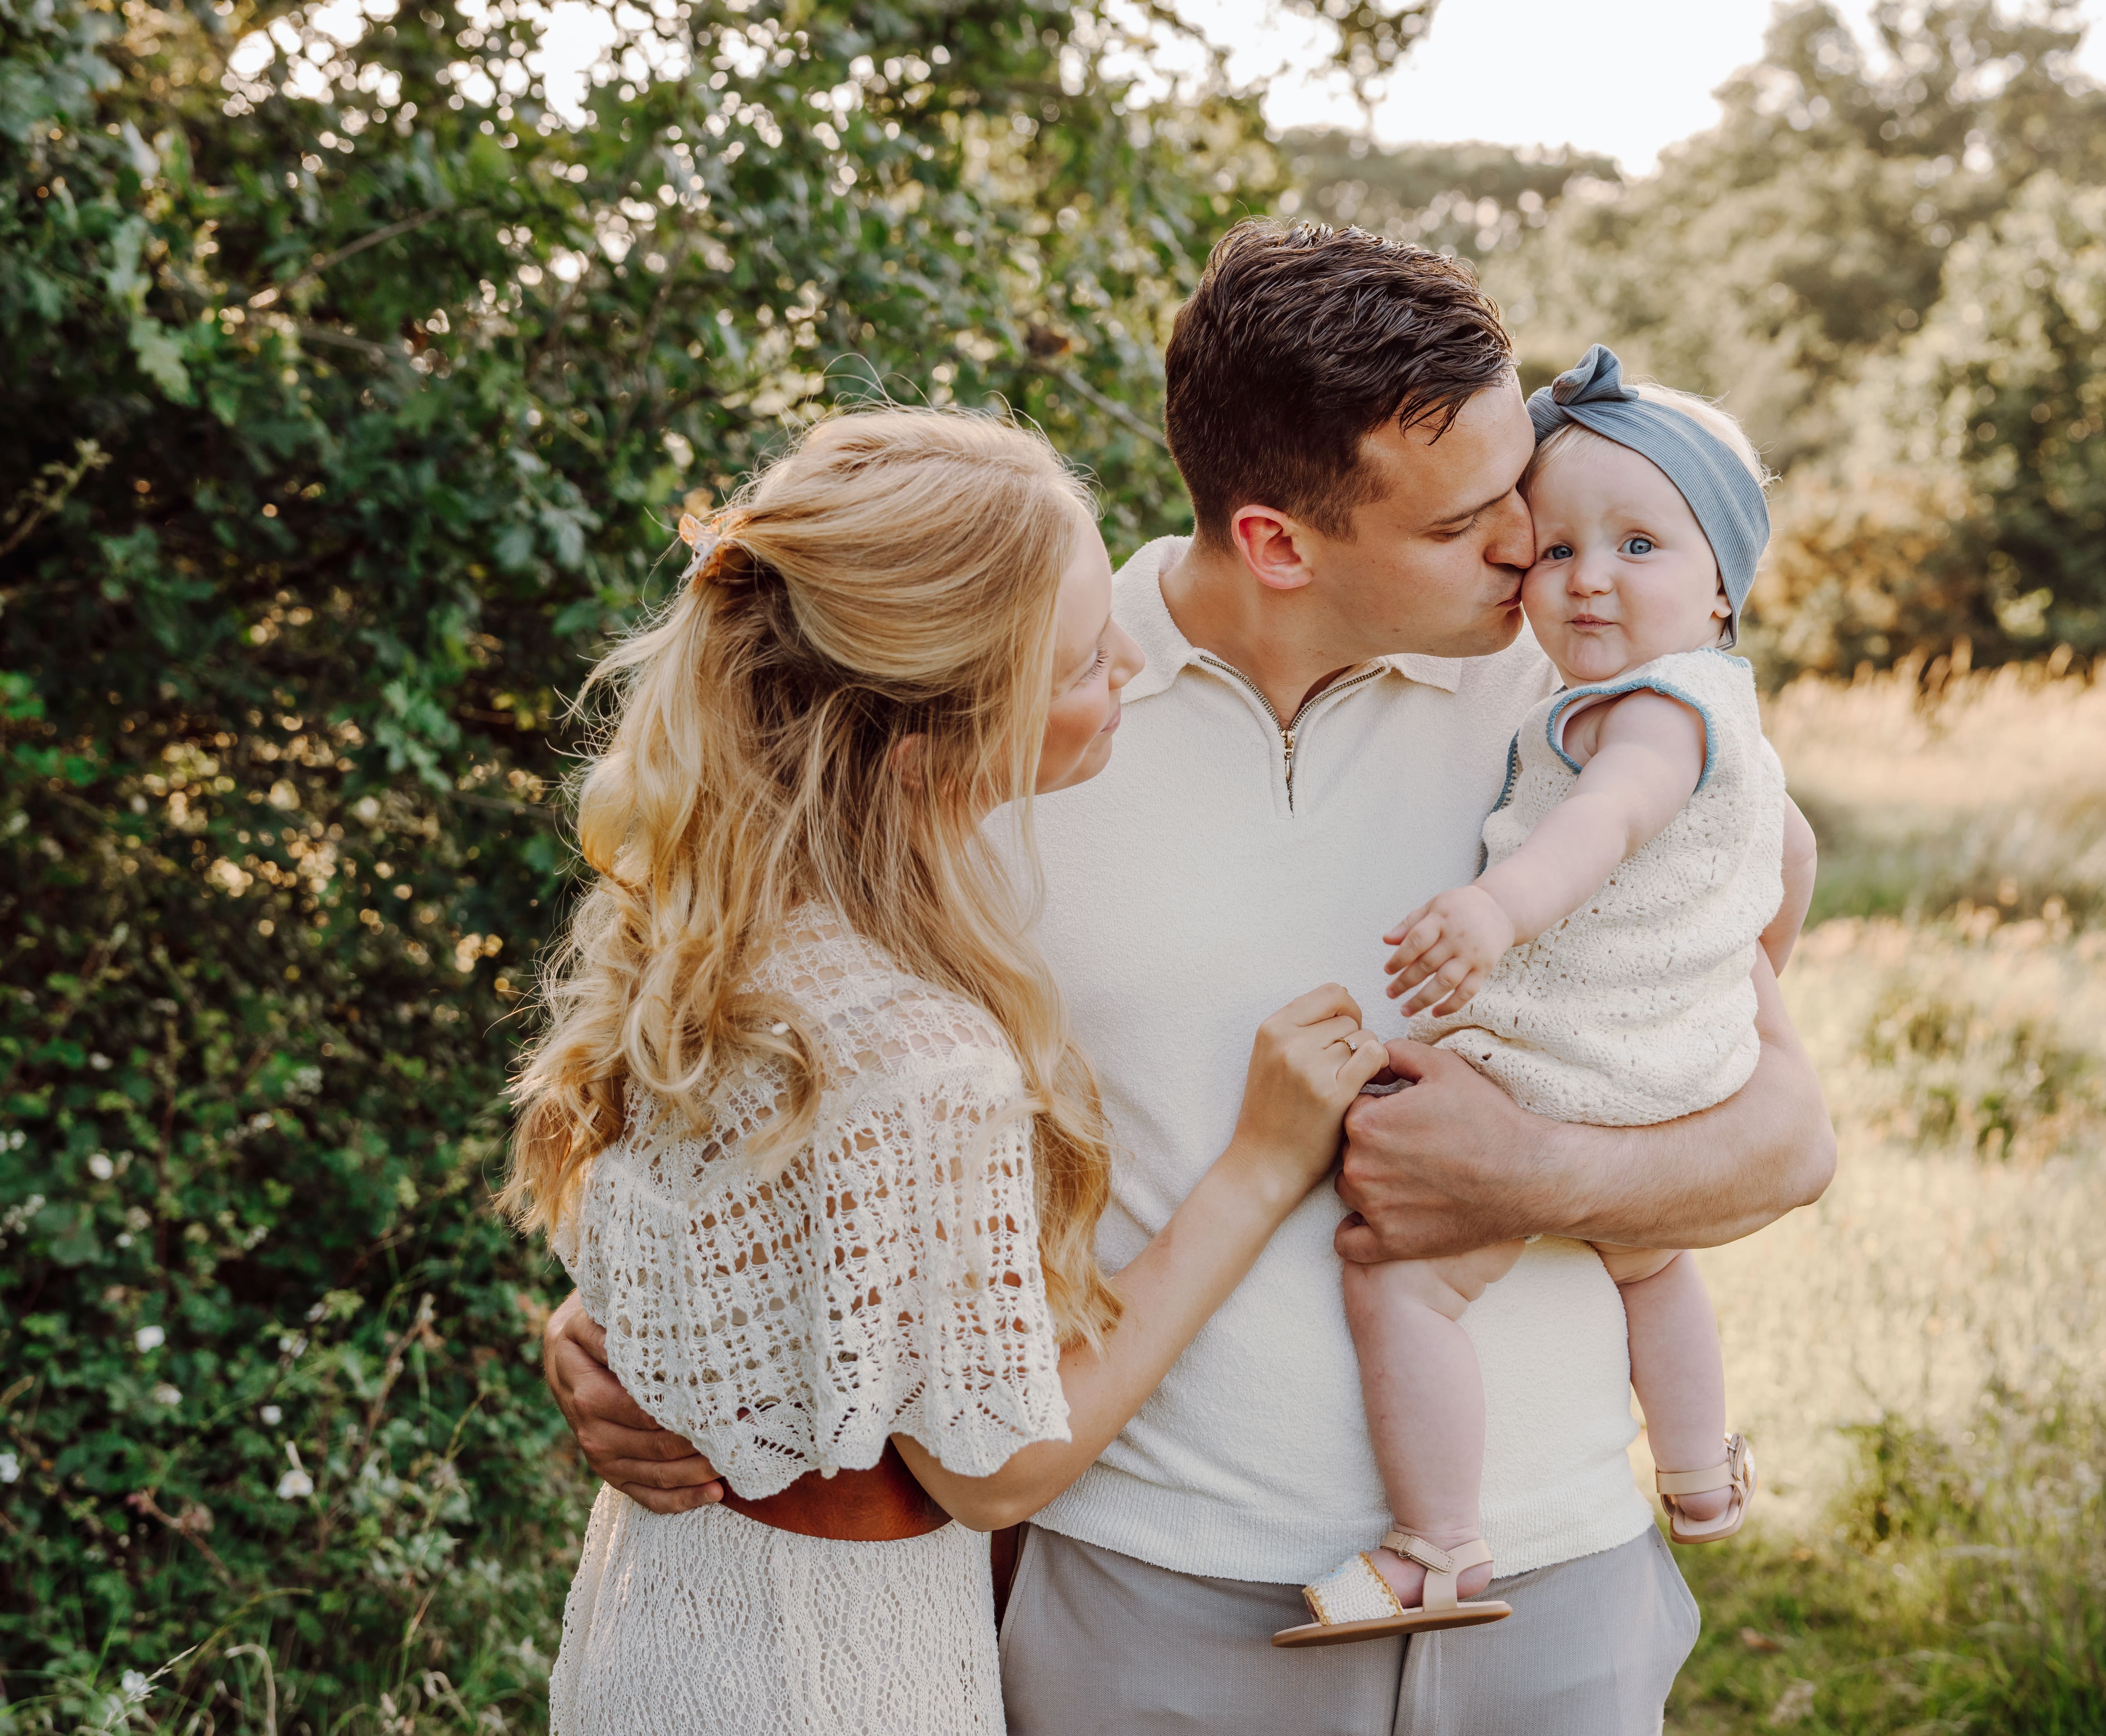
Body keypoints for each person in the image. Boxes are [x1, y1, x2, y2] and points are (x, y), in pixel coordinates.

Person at [545, 224, 1836, 1733]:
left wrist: (1531, 1169)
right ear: (1281, 539)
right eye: (1467, 521)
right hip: (1143, 1600)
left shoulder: (1598, 713)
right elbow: (777, 1061)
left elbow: (1784, 1139)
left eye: (1528, 496)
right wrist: (618, 1326)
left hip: (1556, 1581)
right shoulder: (1010, 715)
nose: (1529, 550)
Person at [508, 406, 1392, 1736]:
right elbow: (995, 1468)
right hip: (827, 1668)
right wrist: (1261, 1167)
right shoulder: (925, 1055)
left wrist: (592, 1331)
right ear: (937, 743)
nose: (1137, 661)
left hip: (662, 1622)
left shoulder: (713, 929)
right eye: (1091, 658)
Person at [1280, 344, 1801, 1648]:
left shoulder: (1648, 712)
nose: (1587, 582)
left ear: (1726, 585)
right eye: (1557, 551)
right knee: (1653, 1252)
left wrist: (1494, 909)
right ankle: (1697, 1470)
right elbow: (1787, 863)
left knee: (1399, 1276)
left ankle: (1439, 1544)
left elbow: (1610, 822)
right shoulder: (1736, 712)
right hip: (1679, 1061)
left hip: (1563, 1057)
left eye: (1639, 546)